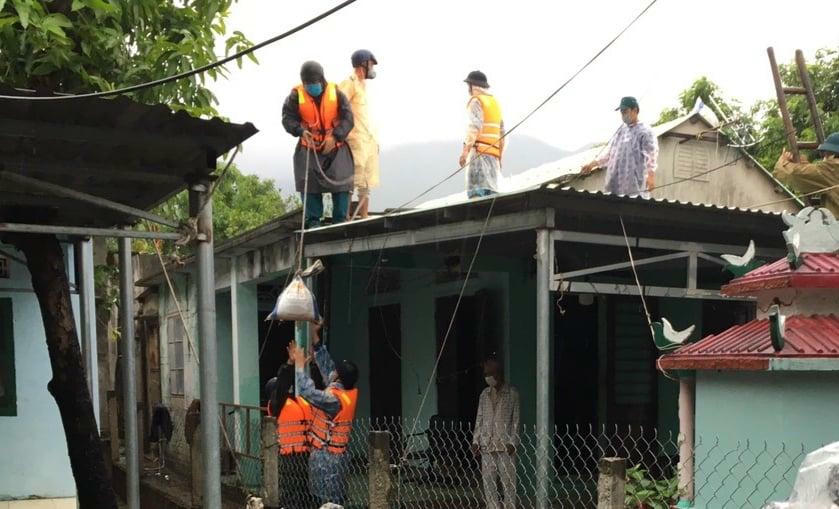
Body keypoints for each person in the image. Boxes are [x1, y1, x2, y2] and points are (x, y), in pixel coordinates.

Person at [288, 322, 359, 506]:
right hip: (334, 457)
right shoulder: (344, 391)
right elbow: (327, 368)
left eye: (336, 371)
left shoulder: (334, 400)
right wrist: (315, 338)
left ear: (338, 377)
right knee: (331, 500)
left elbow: (307, 391)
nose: (332, 371)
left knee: (329, 502)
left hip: (328, 459)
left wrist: (299, 366)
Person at [282, 61, 355, 228]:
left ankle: (340, 223)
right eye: (308, 84)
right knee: (308, 184)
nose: (311, 87)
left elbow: (348, 118)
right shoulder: (295, 96)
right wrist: (300, 131)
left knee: (341, 182)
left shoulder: (336, 93)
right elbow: (287, 118)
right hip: (309, 148)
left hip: (335, 147)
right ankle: (313, 223)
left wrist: (335, 137)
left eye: (314, 83)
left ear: (322, 80)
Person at [581, 96, 659, 198]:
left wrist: (651, 176)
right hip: (614, 186)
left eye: (625, 111)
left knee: (632, 204)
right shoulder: (621, 131)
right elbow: (609, 154)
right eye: (621, 112)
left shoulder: (645, 131)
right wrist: (592, 164)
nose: (623, 114)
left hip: (634, 186)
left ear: (635, 110)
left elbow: (651, 156)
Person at [265, 350, 314, 508]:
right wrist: (289, 365)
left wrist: (303, 368)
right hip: (289, 457)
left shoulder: (294, 401)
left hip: (304, 454)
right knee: (291, 494)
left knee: (303, 493)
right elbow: (282, 385)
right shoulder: (277, 404)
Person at [471, 353, 520, 509]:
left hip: (505, 446)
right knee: (489, 483)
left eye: (490, 373)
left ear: (498, 373)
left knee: (508, 483)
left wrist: (513, 442)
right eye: (486, 374)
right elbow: (479, 419)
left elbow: (516, 421)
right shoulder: (484, 394)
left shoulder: (512, 394)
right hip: (487, 444)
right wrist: (475, 440)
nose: (488, 377)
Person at [339, 49, 380, 220]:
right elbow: (339, 108)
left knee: (366, 181)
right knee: (352, 180)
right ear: (364, 64)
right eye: (371, 64)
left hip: (367, 140)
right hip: (354, 139)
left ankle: (364, 215)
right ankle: (346, 216)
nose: (372, 68)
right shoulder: (349, 83)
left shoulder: (363, 85)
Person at [460, 70, 506, 199]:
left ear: (472, 85)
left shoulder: (476, 101)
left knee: (477, 195)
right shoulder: (495, 103)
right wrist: (500, 158)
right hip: (494, 157)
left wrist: (465, 151)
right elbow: (502, 133)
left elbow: (474, 126)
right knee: (491, 194)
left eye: (468, 85)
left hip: (479, 155)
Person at [774, 131, 839, 217]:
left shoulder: (833, 168)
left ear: (833, 154)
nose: (824, 157)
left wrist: (783, 161)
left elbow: (794, 174)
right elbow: (813, 174)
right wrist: (801, 163)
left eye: (826, 154)